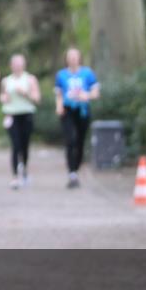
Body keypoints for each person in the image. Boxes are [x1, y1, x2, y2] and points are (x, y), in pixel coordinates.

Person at [54, 47, 100, 188]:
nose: (73, 59)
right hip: (67, 110)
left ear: (79, 58)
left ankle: (76, 167)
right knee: (70, 140)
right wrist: (59, 106)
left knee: (80, 141)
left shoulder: (87, 73)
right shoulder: (61, 75)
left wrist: (86, 95)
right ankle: (72, 172)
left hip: (82, 110)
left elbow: (95, 93)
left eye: (75, 56)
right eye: (70, 56)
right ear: (66, 59)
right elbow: (59, 94)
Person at [0, 54, 40, 189]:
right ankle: (15, 176)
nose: (17, 66)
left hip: (27, 114)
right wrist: (3, 98)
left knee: (24, 145)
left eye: (19, 63)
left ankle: (25, 169)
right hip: (11, 115)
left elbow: (37, 98)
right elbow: (2, 95)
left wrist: (25, 93)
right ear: (11, 65)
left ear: (24, 65)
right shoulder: (6, 80)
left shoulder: (30, 79)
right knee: (15, 145)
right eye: (14, 63)